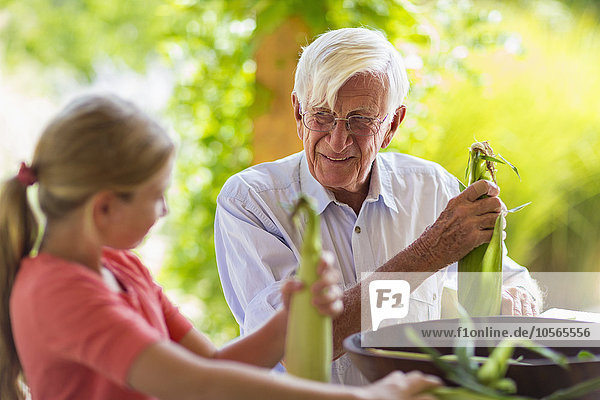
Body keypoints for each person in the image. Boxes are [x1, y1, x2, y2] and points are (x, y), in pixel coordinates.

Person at [0, 94, 442, 400]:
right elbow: (195, 386)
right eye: (157, 195)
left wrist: (289, 320)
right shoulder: (59, 291)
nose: (166, 209)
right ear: (104, 209)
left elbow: (214, 365)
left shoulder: (120, 268)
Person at [214, 27, 542, 385]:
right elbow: (294, 346)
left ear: (392, 125)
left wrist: (518, 299)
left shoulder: (432, 186)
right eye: (321, 115)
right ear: (297, 112)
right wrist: (429, 253)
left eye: (361, 121)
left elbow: (513, 281)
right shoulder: (251, 201)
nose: (337, 141)